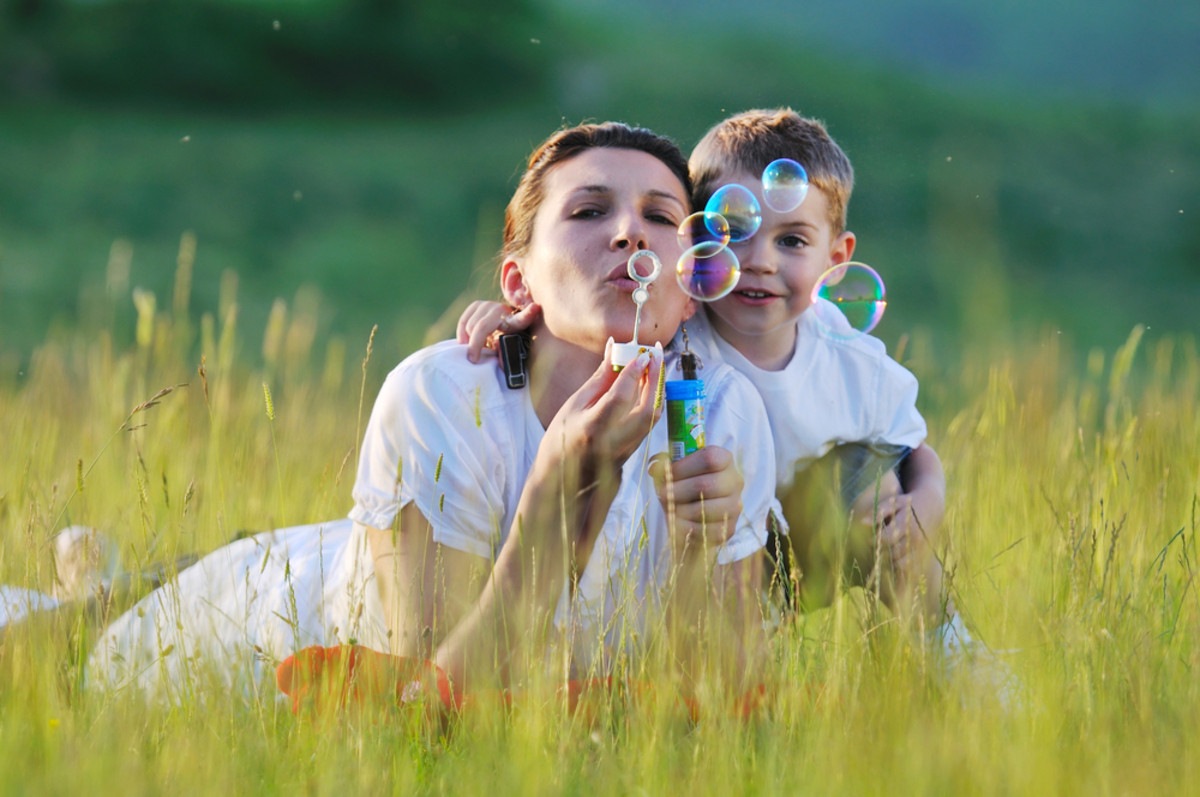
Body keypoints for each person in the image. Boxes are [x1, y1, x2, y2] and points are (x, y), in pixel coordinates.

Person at [86, 122, 779, 701]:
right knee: (55, 643)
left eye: (661, 216)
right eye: (589, 211)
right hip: (242, 632)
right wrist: (565, 486)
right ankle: (91, 586)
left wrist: (698, 552)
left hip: (363, 548)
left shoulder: (720, 413)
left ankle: (94, 573)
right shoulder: (443, 394)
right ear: (519, 280)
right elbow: (435, 709)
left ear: (692, 288)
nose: (631, 232)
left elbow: (718, 710)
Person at [458, 109, 964, 647]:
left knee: (873, 484)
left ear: (835, 259)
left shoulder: (848, 356)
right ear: (694, 243)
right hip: (719, 546)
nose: (759, 262)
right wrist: (516, 311)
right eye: (735, 235)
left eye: (792, 241)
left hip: (817, 537)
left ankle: (946, 651)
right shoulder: (679, 325)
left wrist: (927, 504)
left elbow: (912, 450)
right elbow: (598, 314)